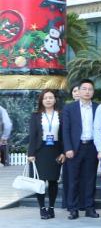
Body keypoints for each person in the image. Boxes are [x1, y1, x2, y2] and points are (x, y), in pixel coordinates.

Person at [61, 80, 98, 219]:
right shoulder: (69, 108)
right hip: (75, 148)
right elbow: (65, 130)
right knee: (73, 179)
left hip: (92, 147)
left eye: (90, 89)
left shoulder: (97, 107)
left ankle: (89, 207)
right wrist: (68, 148)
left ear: (93, 92)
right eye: (84, 89)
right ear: (79, 91)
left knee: (90, 179)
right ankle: (73, 208)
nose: (87, 92)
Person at [27, 89, 64, 219]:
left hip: (55, 150)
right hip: (40, 151)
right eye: (45, 98)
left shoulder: (61, 115)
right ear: (41, 101)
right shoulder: (36, 116)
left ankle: (51, 208)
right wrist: (31, 153)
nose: (48, 100)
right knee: (40, 181)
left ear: (55, 100)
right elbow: (33, 136)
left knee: (53, 180)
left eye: (50, 97)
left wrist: (63, 152)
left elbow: (64, 135)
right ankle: (42, 208)